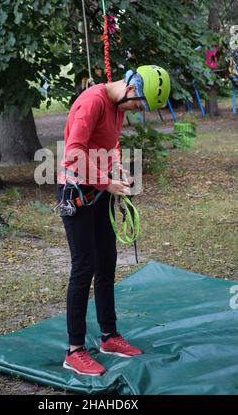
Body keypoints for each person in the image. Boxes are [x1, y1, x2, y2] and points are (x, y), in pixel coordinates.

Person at [56, 65, 170, 376]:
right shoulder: (93, 102)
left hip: (98, 190)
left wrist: (117, 169)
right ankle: (75, 350)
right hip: (76, 191)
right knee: (84, 266)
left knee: (106, 263)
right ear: (131, 87)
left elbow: (111, 144)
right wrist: (106, 183)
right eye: (139, 103)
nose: (137, 110)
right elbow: (72, 153)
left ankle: (108, 336)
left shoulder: (118, 108)